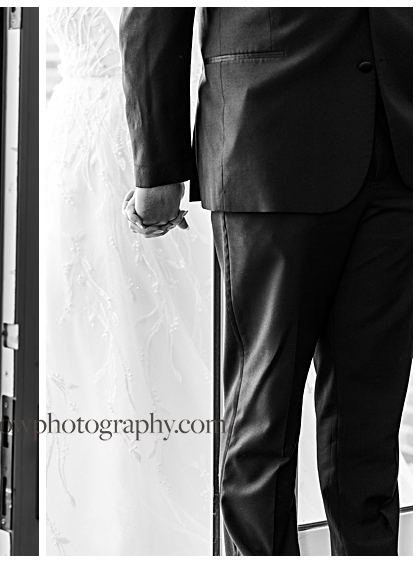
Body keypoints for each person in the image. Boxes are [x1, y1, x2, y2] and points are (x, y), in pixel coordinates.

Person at [121, 7, 412, 555]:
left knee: (371, 422)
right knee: (263, 415)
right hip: (268, 139)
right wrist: (159, 166)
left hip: (397, 140)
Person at [41, 6, 213, 555]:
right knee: (82, 328)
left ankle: (169, 510)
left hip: (142, 133)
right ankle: (95, 514)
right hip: (74, 142)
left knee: (160, 315)